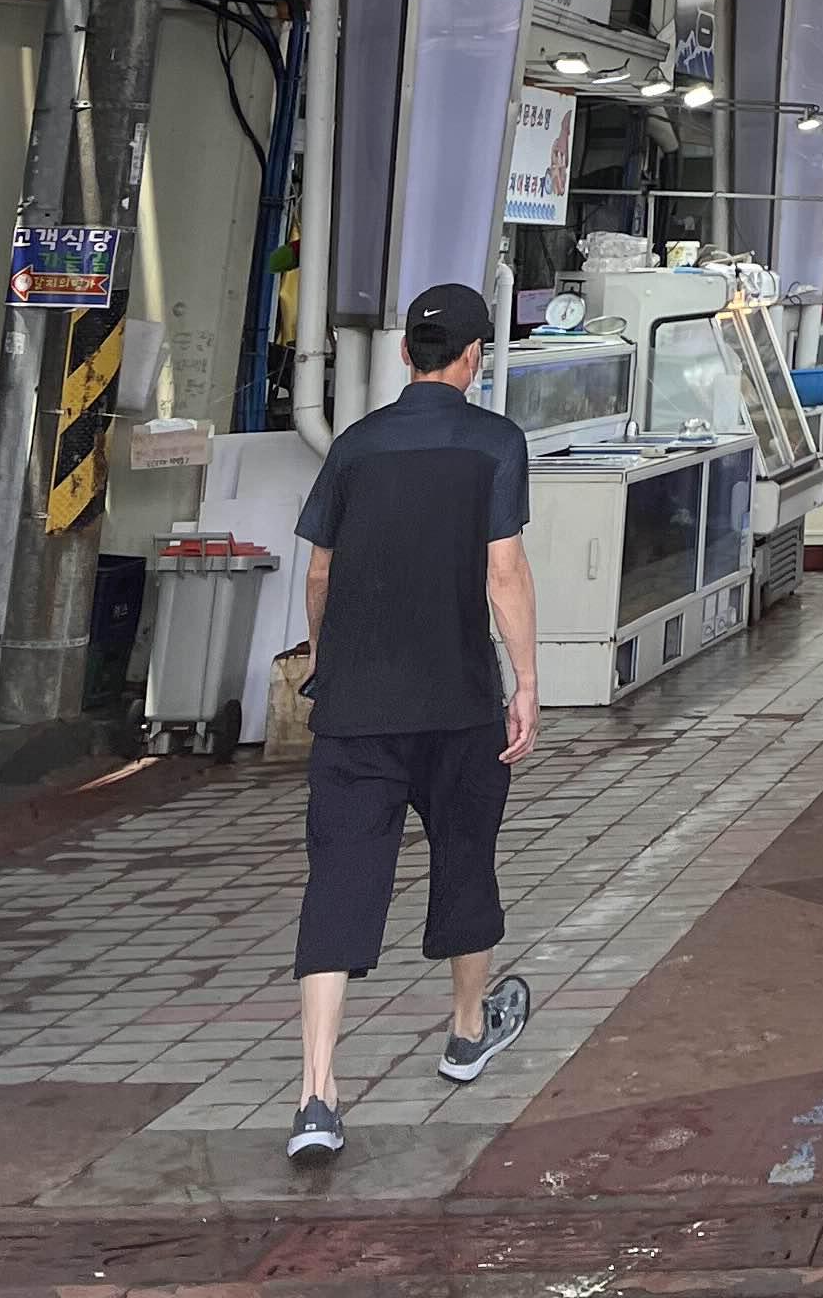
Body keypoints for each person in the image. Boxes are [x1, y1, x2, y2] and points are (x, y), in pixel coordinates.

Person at [286, 281, 538, 1165]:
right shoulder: (494, 442)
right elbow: (503, 572)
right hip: (458, 700)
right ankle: (467, 1032)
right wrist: (527, 682)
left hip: (356, 708)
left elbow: (320, 572)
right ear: (474, 357)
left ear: (405, 354)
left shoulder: (355, 445)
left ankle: (317, 1095)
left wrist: (326, 660)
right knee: (465, 854)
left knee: (339, 879)